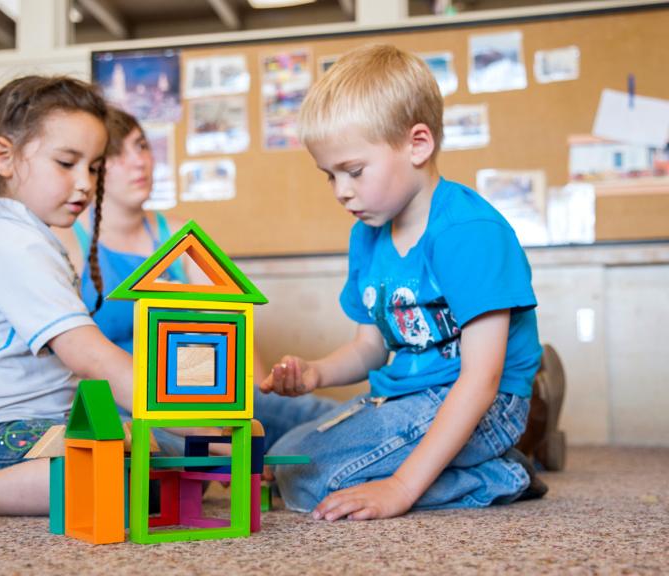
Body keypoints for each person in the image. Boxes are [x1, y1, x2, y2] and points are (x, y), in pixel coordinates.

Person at [261, 44, 548, 521]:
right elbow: (369, 349)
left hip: (487, 405)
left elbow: (482, 379)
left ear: (418, 144)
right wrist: (316, 373)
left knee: (311, 480)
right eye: (328, 176)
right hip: (407, 395)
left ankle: (498, 476)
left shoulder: (468, 232)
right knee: (281, 457)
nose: (341, 191)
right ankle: (467, 469)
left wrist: (400, 488)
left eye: (353, 171)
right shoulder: (367, 233)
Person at [54, 106, 335, 453]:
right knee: (161, 453)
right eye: (117, 153)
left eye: (141, 146)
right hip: (124, 405)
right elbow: (75, 364)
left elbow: (232, 318)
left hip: (204, 395)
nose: (139, 161)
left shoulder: (177, 235)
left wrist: (253, 395)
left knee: (318, 418)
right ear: (95, 167)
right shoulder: (70, 241)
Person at [0, 76, 135, 515]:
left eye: (93, 167)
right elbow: (88, 355)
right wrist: (173, 410)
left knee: (160, 460)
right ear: (4, 158)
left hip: (44, 425)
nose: (86, 183)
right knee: (122, 474)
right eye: (67, 163)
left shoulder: (32, 239)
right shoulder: (13, 243)